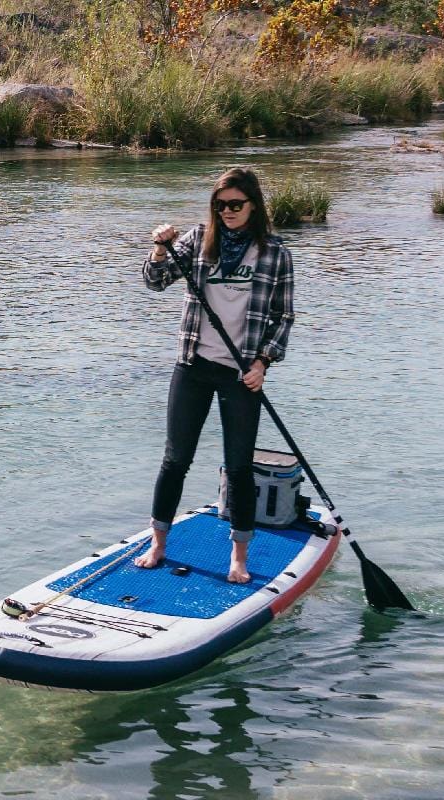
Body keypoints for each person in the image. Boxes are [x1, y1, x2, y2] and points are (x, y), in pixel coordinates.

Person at [135, 167, 295, 583]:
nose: (227, 212)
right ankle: (157, 544)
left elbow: (283, 317)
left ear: (253, 206)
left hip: (241, 373)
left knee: (238, 466)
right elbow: (155, 283)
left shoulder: (274, 253)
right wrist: (158, 249)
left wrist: (263, 363)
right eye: (220, 205)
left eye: (236, 205)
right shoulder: (196, 239)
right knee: (175, 460)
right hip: (193, 366)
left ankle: (238, 557)